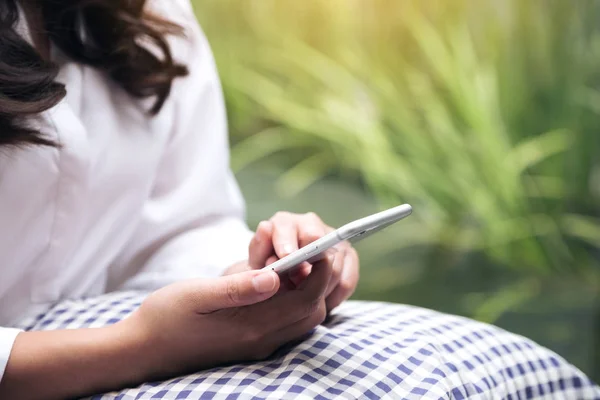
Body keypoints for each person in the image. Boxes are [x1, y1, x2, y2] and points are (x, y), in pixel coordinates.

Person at [0, 1, 598, 399]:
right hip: (64, 363)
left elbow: (178, 226)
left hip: (112, 330)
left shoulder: (140, 13)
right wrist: (139, 347)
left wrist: (253, 271)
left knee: (468, 370)